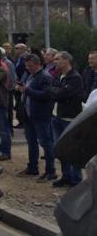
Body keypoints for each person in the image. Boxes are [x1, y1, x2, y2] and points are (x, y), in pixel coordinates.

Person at [17, 53, 56, 180]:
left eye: (31, 66)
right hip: (29, 115)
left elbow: (46, 95)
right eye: (27, 66)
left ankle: (51, 171)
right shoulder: (30, 75)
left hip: (41, 115)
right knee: (31, 142)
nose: (28, 68)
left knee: (46, 142)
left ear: (38, 64)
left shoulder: (45, 77)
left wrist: (27, 90)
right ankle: (32, 167)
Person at [49, 51, 83, 187]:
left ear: (66, 61)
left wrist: (55, 91)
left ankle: (76, 180)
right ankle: (66, 176)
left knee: (73, 150)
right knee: (61, 149)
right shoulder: (59, 76)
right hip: (57, 116)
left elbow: (62, 93)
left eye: (57, 59)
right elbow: (52, 91)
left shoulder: (75, 78)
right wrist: (55, 91)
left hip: (69, 118)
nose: (54, 61)